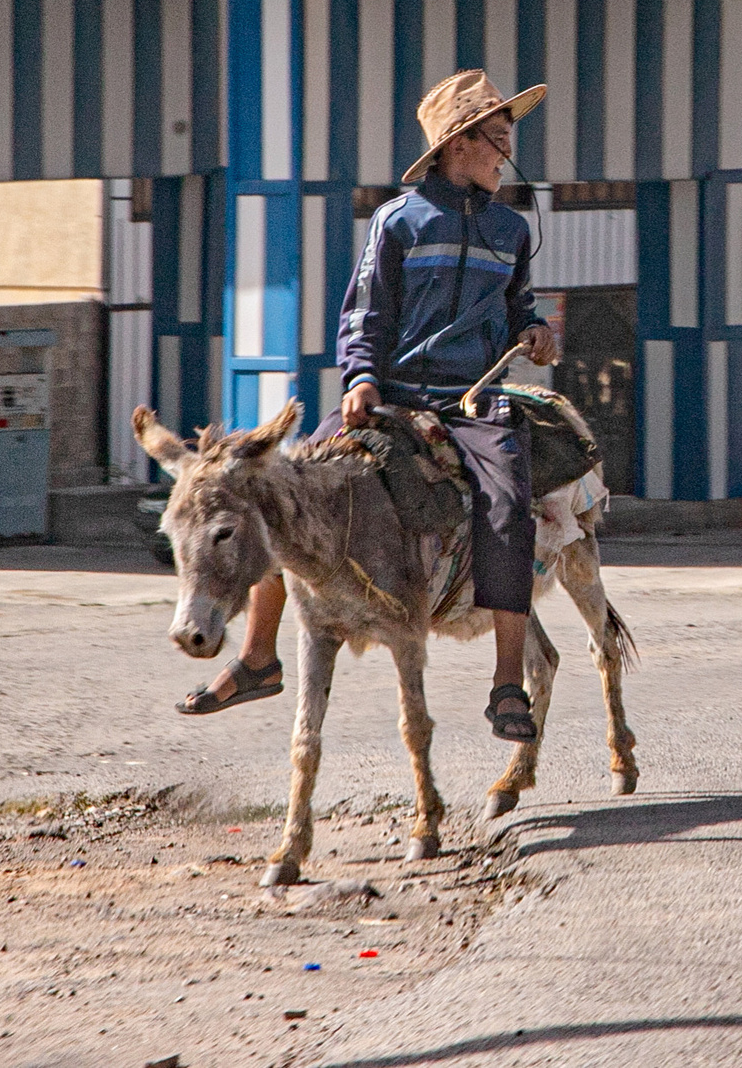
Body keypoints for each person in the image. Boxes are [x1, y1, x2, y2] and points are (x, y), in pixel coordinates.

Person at [178, 70, 560, 742]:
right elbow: (365, 315)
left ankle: (507, 682)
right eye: (498, 136)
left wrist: (534, 330)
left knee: (507, 502)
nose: (508, 150)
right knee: (281, 483)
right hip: (392, 395)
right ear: (458, 144)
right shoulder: (398, 221)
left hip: (472, 402)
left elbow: (517, 307)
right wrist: (360, 378)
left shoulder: (511, 229)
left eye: (508, 137)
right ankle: (260, 657)